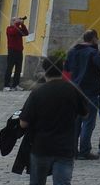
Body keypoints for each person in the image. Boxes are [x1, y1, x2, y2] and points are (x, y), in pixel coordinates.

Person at [19, 57, 87, 185]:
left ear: (45, 71)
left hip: (41, 147)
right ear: (61, 70)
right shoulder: (73, 90)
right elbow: (85, 113)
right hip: (65, 148)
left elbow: (24, 123)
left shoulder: (37, 93)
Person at [66, 29, 100, 159]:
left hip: (74, 90)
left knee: (75, 122)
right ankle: (84, 151)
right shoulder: (93, 52)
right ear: (94, 39)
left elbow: (67, 68)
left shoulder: (72, 51)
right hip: (90, 92)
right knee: (88, 122)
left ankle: (72, 151)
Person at [4, 16, 30, 91]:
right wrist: (18, 24)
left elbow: (26, 33)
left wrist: (22, 24)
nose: (17, 21)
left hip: (19, 51)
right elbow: (13, 32)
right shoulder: (9, 29)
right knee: (9, 68)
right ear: (12, 21)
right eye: (15, 20)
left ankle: (16, 85)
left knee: (18, 69)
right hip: (12, 51)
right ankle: (6, 85)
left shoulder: (18, 29)